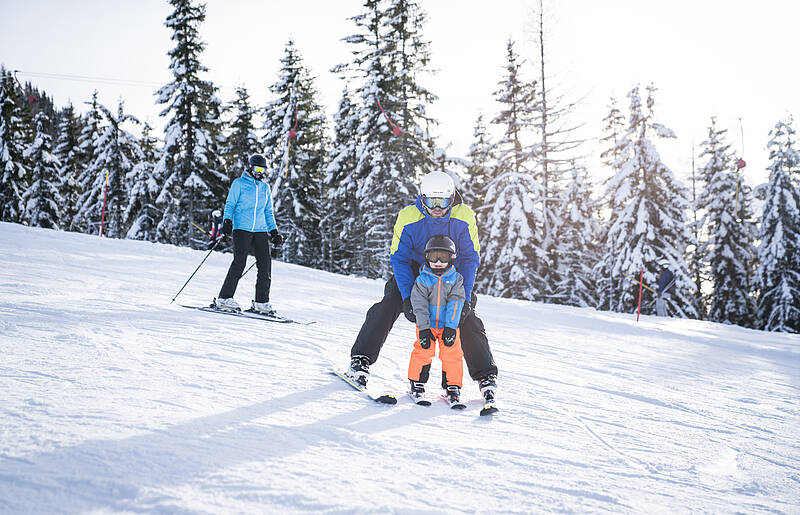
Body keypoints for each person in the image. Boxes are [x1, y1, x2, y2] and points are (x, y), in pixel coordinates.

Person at [345, 170, 498, 406]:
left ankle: (485, 375)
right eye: (431, 201)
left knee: (465, 315)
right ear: (422, 198)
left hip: (449, 272)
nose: (437, 208)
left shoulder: (464, 216)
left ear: (452, 198)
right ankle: (361, 360)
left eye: (443, 202)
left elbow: (469, 259)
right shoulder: (408, 217)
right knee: (389, 303)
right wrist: (407, 297)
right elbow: (399, 259)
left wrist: (464, 298)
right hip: (417, 269)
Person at [214, 153, 283, 314]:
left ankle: (261, 302)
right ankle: (224, 298)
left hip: (260, 230)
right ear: (250, 167)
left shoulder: (265, 188)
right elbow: (230, 204)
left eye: (263, 169)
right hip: (242, 228)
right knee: (239, 263)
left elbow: (268, 211)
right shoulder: (239, 183)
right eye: (257, 168)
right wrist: (227, 221)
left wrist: (274, 232)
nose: (260, 172)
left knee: (265, 266)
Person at [408, 235, 466, 407]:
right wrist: (424, 328)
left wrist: (451, 326)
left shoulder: (456, 279)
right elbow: (419, 305)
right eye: (434, 257)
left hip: (449, 326)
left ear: (451, 258)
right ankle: (417, 384)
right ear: (427, 257)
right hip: (428, 326)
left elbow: (457, 301)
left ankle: (452, 387)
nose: (439, 261)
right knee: (423, 351)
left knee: (452, 354)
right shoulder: (422, 280)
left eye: (444, 257)